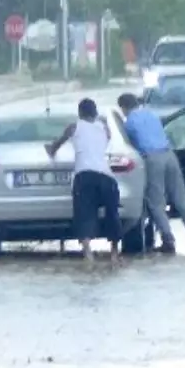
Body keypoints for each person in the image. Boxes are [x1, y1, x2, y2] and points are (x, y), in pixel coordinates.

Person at [117, 92, 185, 254]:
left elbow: (129, 146)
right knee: (181, 198)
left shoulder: (129, 123)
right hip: (170, 155)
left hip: (152, 158)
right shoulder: (151, 115)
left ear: (123, 107)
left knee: (156, 202)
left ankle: (168, 240)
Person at [45, 98, 121, 262]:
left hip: (84, 175)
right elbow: (107, 140)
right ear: (95, 112)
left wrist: (51, 149)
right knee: (112, 214)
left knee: (84, 214)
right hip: (107, 176)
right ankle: (114, 253)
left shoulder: (74, 127)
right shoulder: (104, 127)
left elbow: (55, 146)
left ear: (79, 113)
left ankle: (88, 253)